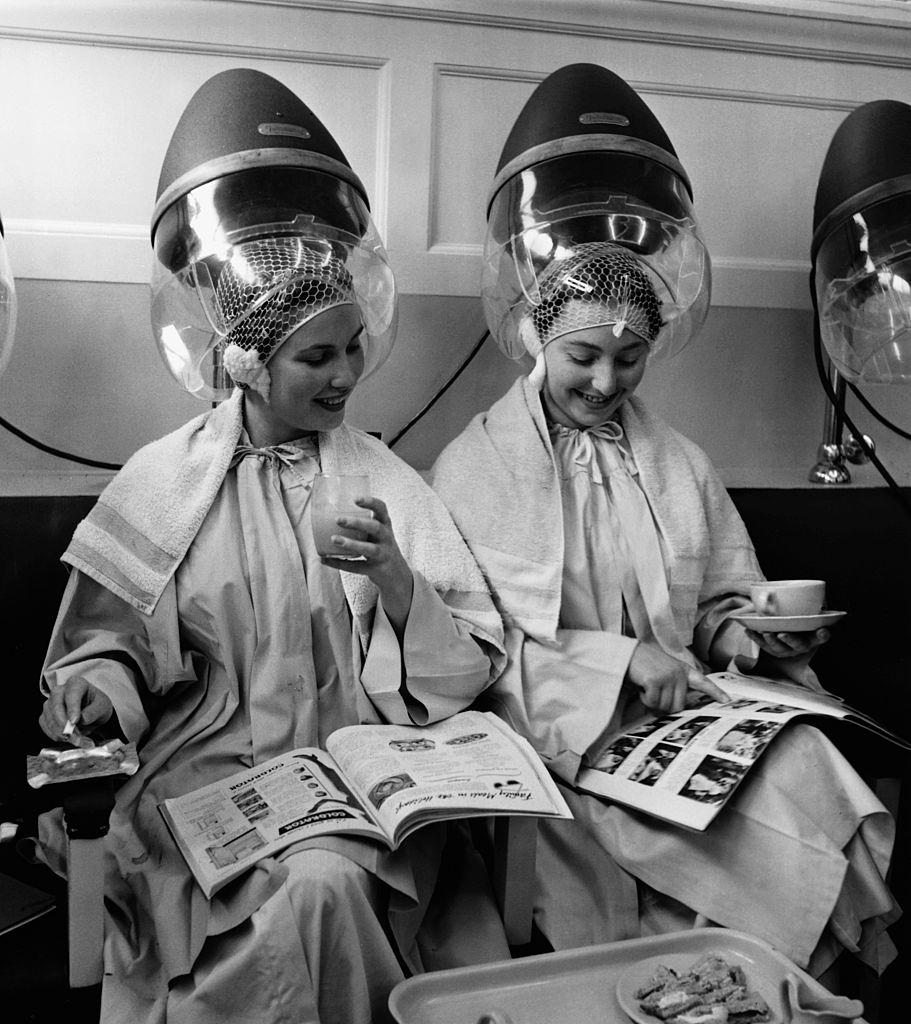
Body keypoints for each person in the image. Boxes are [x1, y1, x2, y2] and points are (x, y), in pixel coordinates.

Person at [35, 69, 510, 1024]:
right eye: (317, 356)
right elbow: (108, 649)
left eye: (351, 348)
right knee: (314, 889)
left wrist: (393, 577)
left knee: (330, 880)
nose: (347, 375)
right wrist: (101, 694)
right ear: (251, 357)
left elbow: (468, 661)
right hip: (210, 782)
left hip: (362, 772)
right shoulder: (165, 482)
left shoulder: (382, 479)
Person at [431, 240, 899, 978]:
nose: (603, 380)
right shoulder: (471, 467)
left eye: (629, 358)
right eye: (582, 355)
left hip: (688, 712)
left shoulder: (679, 461)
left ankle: (792, 986)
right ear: (535, 338)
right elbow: (469, 652)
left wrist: (746, 637)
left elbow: (711, 606)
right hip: (560, 731)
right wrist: (618, 661)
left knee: (807, 764)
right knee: (668, 858)